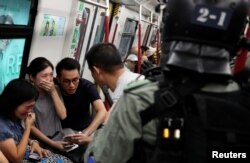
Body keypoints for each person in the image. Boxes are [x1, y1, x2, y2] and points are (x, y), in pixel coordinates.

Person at [84, 0, 250, 163]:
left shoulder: (140, 100)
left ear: (168, 30)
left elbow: (98, 159)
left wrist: (102, 132)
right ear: (237, 42)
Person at [0, 79, 72, 162]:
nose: (30, 111)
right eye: (28, 107)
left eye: (32, 107)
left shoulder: (13, 115)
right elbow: (16, 158)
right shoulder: (2, 127)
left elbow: (20, 137)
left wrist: (33, 142)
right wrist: (28, 128)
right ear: (13, 103)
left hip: (29, 153)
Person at [56, 57, 107, 137]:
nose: (71, 85)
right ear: (58, 79)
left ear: (79, 75)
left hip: (85, 128)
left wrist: (86, 133)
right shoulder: (54, 88)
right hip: (63, 131)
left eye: (75, 80)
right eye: (66, 81)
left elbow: (102, 110)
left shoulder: (87, 86)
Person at [27, 57, 68, 152]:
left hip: (60, 137)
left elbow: (63, 115)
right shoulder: (28, 94)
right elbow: (31, 126)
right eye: (44, 76)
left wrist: (53, 91)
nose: (49, 80)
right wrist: (52, 143)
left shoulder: (55, 89)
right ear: (32, 77)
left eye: (51, 75)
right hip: (42, 143)